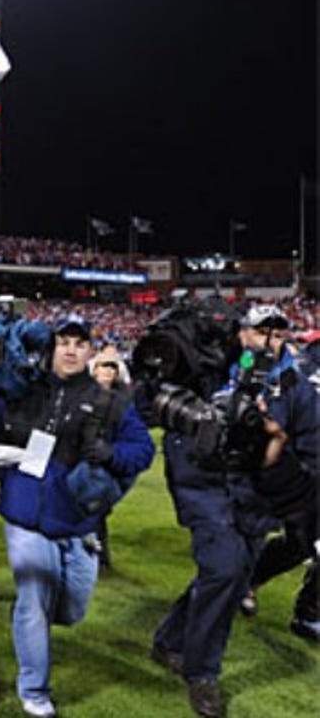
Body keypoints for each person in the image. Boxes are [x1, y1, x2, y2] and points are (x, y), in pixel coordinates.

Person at [151, 304, 319, 718]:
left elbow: (313, 448)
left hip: (258, 493)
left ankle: (169, 640)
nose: (270, 341)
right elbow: (152, 399)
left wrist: (281, 457)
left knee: (230, 574)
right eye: (262, 331)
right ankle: (202, 672)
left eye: (278, 333)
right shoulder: (210, 365)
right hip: (205, 484)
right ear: (242, 333)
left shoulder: (295, 386)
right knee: (225, 570)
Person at [0, 314, 155, 717]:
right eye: (64, 341)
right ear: (52, 347)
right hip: (26, 514)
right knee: (34, 599)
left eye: (80, 344)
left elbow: (144, 450)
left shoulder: (110, 401)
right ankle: (35, 691)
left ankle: (35, 625)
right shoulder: (24, 389)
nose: (70, 349)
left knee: (71, 610)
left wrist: (114, 455)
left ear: (90, 351)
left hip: (79, 522)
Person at [85, 343, 133, 568]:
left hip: (108, 458)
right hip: (83, 457)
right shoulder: (82, 394)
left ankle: (97, 555)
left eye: (112, 368)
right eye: (104, 367)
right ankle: (96, 556)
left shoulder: (122, 398)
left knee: (97, 507)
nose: (108, 371)